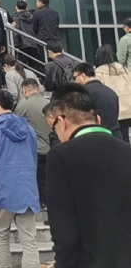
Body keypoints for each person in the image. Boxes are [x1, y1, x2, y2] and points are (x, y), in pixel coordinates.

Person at [45, 84, 131, 268]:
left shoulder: (60, 156)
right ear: (98, 119)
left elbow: (64, 230)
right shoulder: (127, 151)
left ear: (61, 122)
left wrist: (62, 264)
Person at [0, 89, 40, 268]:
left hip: (2, 189)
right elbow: (34, 159)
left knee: (0, 234)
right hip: (27, 189)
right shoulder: (29, 129)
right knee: (29, 239)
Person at [14, 78, 51, 206]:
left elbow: (17, 129)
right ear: (38, 89)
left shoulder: (22, 107)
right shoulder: (50, 104)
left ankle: (42, 201)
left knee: (39, 178)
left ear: (24, 90)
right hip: (53, 146)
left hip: (36, 149)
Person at [71, 62, 122, 139]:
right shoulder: (110, 91)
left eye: (75, 78)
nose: (75, 82)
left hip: (96, 136)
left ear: (83, 75)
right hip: (116, 135)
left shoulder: (83, 92)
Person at [93, 44, 131, 143]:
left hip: (115, 110)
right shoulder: (124, 69)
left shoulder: (98, 73)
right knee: (125, 136)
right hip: (128, 107)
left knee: (118, 139)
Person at [11, 1, 41, 70]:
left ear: (16, 7)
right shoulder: (32, 17)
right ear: (26, 8)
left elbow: (16, 32)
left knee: (21, 67)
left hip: (22, 44)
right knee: (33, 66)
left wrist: (15, 45)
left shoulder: (16, 18)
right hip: (34, 43)